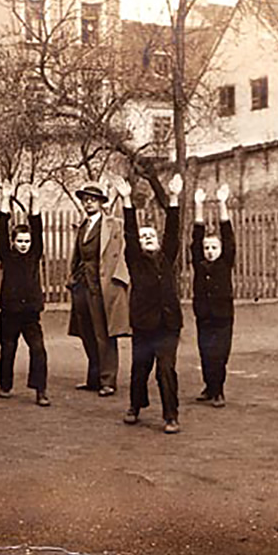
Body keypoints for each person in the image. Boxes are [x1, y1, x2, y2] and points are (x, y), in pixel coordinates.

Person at [116, 174, 184, 434]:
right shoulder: (135, 260)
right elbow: (130, 233)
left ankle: (171, 416)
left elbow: (174, 231)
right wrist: (126, 200)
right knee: (140, 369)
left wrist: (174, 198)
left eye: (151, 236)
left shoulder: (167, 258)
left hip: (168, 325)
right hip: (144, 325)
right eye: (143, 238)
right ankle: (135, 406)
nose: (147, 239)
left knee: (166, 370)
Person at [66, 180, 131, 397]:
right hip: (82, 286)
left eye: (93, 199)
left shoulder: (113, 225)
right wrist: (73, 279)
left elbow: (126, 239)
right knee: (87, 332)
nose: (89, 203)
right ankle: (93, 378)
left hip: (102, 286)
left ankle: (108, 380)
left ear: (102, 202)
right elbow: (77, 256)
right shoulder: (82, 226)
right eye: (85, 199)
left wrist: (123, 197)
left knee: (104, 333)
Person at [0, 180, 50, 406]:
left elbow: (37, 227)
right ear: (13, 242)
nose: (25, 244)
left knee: (38, 349)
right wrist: (4, 199)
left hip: (30, 313)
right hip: (9, 312)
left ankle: (40, 390)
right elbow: (0, 229)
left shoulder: (35, 254)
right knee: (8, 348)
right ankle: (5, 385)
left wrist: (35, 201)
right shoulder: (7, 256)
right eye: (20, 241)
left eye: (27, 241)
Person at [191, 184, 236, 408]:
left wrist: (221, 203)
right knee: (206, 353)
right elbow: (196, 236)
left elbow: (228, 235)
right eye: (207, 248)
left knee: (220, 354)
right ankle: (210, 387)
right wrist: (198, 205)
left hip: (223, 316)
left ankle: (218, 391)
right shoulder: (199, 264)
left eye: (213, 248)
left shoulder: (225, 262)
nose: (210, 251)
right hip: (204, 315)